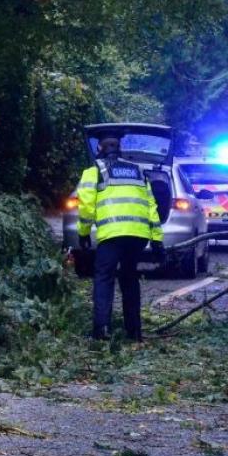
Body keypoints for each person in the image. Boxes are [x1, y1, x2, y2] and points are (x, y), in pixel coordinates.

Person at [77, 131, 164, 341]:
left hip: (112, 234)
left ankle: (102, 330)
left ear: (99, 149)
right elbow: (151, 206)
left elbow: (86, 206)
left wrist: (84, 233)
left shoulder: (94, 171)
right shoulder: (138, 171)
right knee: (129, 277)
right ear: (120, 148)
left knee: (104, 277)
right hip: (137, 235)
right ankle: (134, 331)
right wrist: (157, 239)